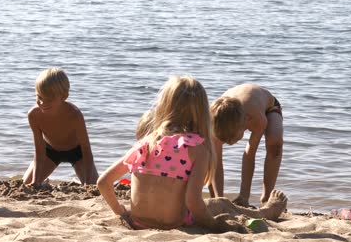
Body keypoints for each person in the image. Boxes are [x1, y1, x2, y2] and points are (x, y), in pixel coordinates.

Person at [97, 76, 287, 233]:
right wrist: (215, 225)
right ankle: (266, 212)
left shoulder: (145, 142)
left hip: (138, 221)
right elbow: (193, 201)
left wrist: (122, 213)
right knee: (221, 203)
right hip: (175, 222)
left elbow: (103, 183)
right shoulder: (196, 148)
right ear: (202, 111)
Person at [210, 83, 283, 208]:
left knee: (275, 143)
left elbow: (250, 154)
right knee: (212, 156)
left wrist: (244, 196)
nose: (231, 143)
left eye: (233, 137)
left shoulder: (257, 119)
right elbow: (215, 164)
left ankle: (266, 198)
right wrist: (219, 199)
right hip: (229, 111)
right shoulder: (214, 120)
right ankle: (218, 199)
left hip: (269, 106)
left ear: (246, 121)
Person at [22, 67, 99, 186]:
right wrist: (35, 181)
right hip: (51, 151)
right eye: (39, 97)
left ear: (64, 96)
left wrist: (88, 183)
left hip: (77, 153)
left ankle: (78, 181)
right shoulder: (33, 115)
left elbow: (86, 150)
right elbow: (39, 151)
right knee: (26, 183)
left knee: (94, 186)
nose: (42, 103)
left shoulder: (74, 114)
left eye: (48, 99)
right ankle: (43, 183)